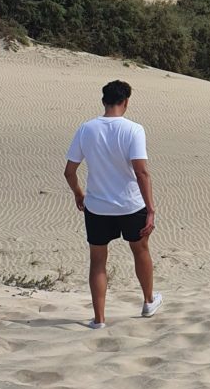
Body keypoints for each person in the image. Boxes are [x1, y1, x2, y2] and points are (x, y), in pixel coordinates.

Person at [64, 80, 161, 328]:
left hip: (97, 207)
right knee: (140, 250)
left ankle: (99, 319)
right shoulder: (133, 130)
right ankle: (149, 301)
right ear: (126, 102)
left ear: (103, 101)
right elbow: (141, 172)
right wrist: (150, 209)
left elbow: (69, 171)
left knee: (98, 261)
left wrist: (78, 193)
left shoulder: (86, 129)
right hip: (130, 205)